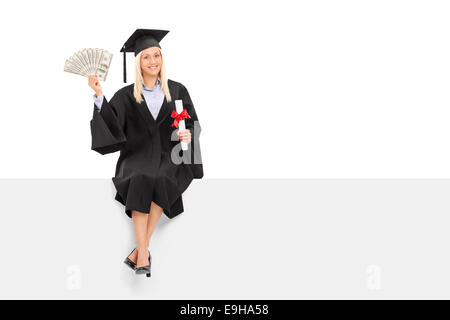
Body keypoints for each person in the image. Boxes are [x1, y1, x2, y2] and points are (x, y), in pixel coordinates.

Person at [87, 29, 203, 278]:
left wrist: (187, 134)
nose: (153, 61)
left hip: (168, 155)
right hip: (136, 155)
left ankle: (140, 253)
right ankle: (143, 251)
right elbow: (112, 126)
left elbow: (191, 123)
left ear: (162, 58)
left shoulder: (178, 90)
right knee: (140, 177)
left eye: (157, 55)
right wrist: (99, 95)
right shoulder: (126, 95)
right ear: (138, 61)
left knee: (161, 177)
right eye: (147, 57)